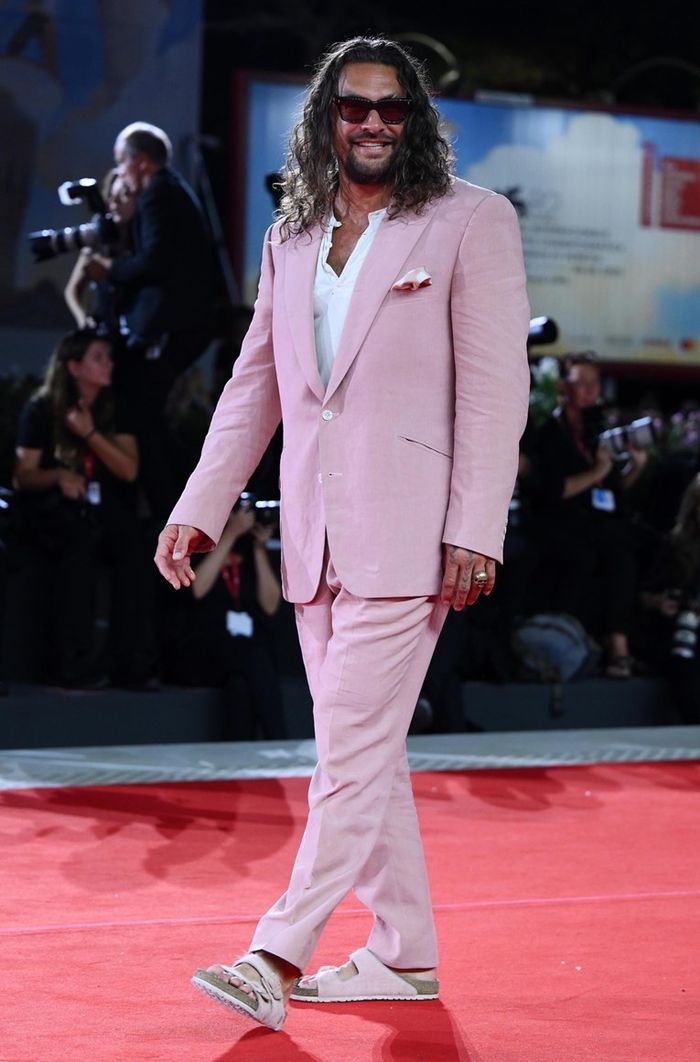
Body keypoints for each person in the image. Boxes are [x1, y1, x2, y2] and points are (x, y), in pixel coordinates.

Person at [155, 36, 530, 1031]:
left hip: (413, 534)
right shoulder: (290, 235)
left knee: (350, 753)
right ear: (326, 118)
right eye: (353, 106)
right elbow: (256, 387)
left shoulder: (470, 220)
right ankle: (404, 956)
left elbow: (497, 390)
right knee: (364, 753)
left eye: (391, 107)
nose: (372, 122)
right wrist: (200, 503)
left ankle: (276, 954)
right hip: (315, 536)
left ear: (415, 120)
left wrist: (476, 525)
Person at [84, 121, 214, 519]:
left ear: (140, 161)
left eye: (120, 163)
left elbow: (155, 261)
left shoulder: (158, 194)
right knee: (146, 417)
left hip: (171, 327)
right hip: (176, 325)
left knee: (142, 416)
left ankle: (177, 509)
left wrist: (110, 270)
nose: (119, 173)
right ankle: (181, 506)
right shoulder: (170, 191)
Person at [13, 329, 157, 688]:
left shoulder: (115, 408)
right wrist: (58, 475)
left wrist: (90, 434)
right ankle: (71, 665)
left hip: (105, 509)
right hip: (59, 512)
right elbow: (23, 476)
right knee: (79, 547)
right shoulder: (42, 409)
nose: (109, 364)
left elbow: (129, 469)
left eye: (107, 357)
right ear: (74, 366)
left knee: (136, 547)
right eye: (98, 358)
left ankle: (133, 665)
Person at [532, 352, 650, 679]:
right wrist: (597, 470)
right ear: (563, 387)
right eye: (580, 382)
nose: (589, 390)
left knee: (632, 546)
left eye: (594, 383)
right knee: (606, 550)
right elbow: (554, 491)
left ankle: (620, 644)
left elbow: (612, 493)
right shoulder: (549, 433)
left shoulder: (597, 432)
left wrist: (635, 468)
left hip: (598, 525)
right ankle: (609, 647)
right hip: (560, 522)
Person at [159, 497, 287, 740]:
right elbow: (197, 590)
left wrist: (259, 549)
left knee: (242, 685)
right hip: (202, 649)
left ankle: (256, 748)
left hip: (240, 655)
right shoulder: (196, 549)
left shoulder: (249, 552)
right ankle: (280, 739)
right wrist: (229, 535)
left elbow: (271, 606)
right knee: (254, 659)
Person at [637, 472, 700, 723]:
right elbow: (642, 594)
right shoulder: (674, 544)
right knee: (683, 658)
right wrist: (659, 602)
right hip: (677, 633)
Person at [63, 168, 136, 334]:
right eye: (111, 196)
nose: (115, 202)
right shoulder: (97, 241)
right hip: (104, 328)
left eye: (124, 195)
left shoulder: (142, 241)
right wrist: (83, 319)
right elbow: (72, 290)